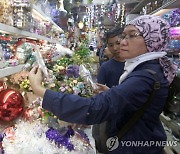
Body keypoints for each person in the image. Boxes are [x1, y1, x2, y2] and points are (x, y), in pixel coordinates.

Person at [29, 15, 177, 154]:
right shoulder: (146, 69)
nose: (123, 42)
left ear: (153, 39)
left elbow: (95, 108)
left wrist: (40, 90)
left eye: (132, 35)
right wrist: (112, 92)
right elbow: (132, 101)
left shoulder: (144, 76)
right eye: (124, 36)